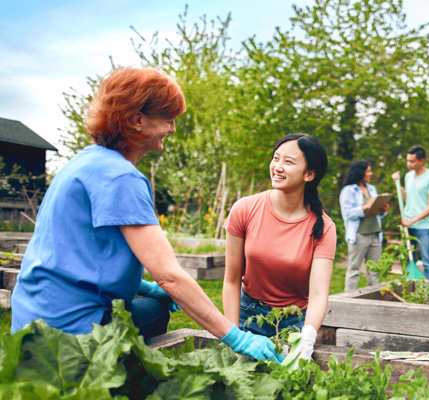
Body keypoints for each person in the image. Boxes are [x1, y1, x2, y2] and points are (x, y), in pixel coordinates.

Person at [11, 67, 282, 362]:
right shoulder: (121, 178)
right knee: (158, 310)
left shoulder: (82, 164)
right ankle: (117, 372)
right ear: (137, 119)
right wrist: (237, 337)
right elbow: (170, 277)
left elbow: (78, 256)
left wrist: (145, 287)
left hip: (32, 321)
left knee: (148, 298)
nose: (173, 128)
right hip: (73, 333)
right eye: (168, 118)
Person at [222, 133, 336, 360]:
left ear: (309, 174)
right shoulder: (244, 209)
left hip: (294, 323)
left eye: (288, 162)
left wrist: (308, 337)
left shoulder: (324, 227)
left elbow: (318, 293)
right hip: (248, 315)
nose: (278, 167)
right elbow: (231, 279)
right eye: (276, 158)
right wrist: (232, 333)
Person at [391, 145, 429, 280]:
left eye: (412, 161)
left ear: (421, 160)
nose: (409, 164)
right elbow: (409, 199)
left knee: (427, 261)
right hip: (408, 225)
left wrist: (413, 220)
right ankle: (411, 288)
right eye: (408, 161)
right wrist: (398, 186)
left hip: (423, 226)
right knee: (408, 260)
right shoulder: (408, 176)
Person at [340, 160, 390, 291]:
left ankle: (373, 299)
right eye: (368, 171)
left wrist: (383, 210)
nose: (370, 173)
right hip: (359, 236)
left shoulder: (371, 188)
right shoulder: (348, 190)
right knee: (354, 269)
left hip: (375, 235)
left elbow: (376, 213)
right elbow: (348, 213)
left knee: (374, 271)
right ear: (360, 172)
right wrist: (365, 207)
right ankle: (348, 299)